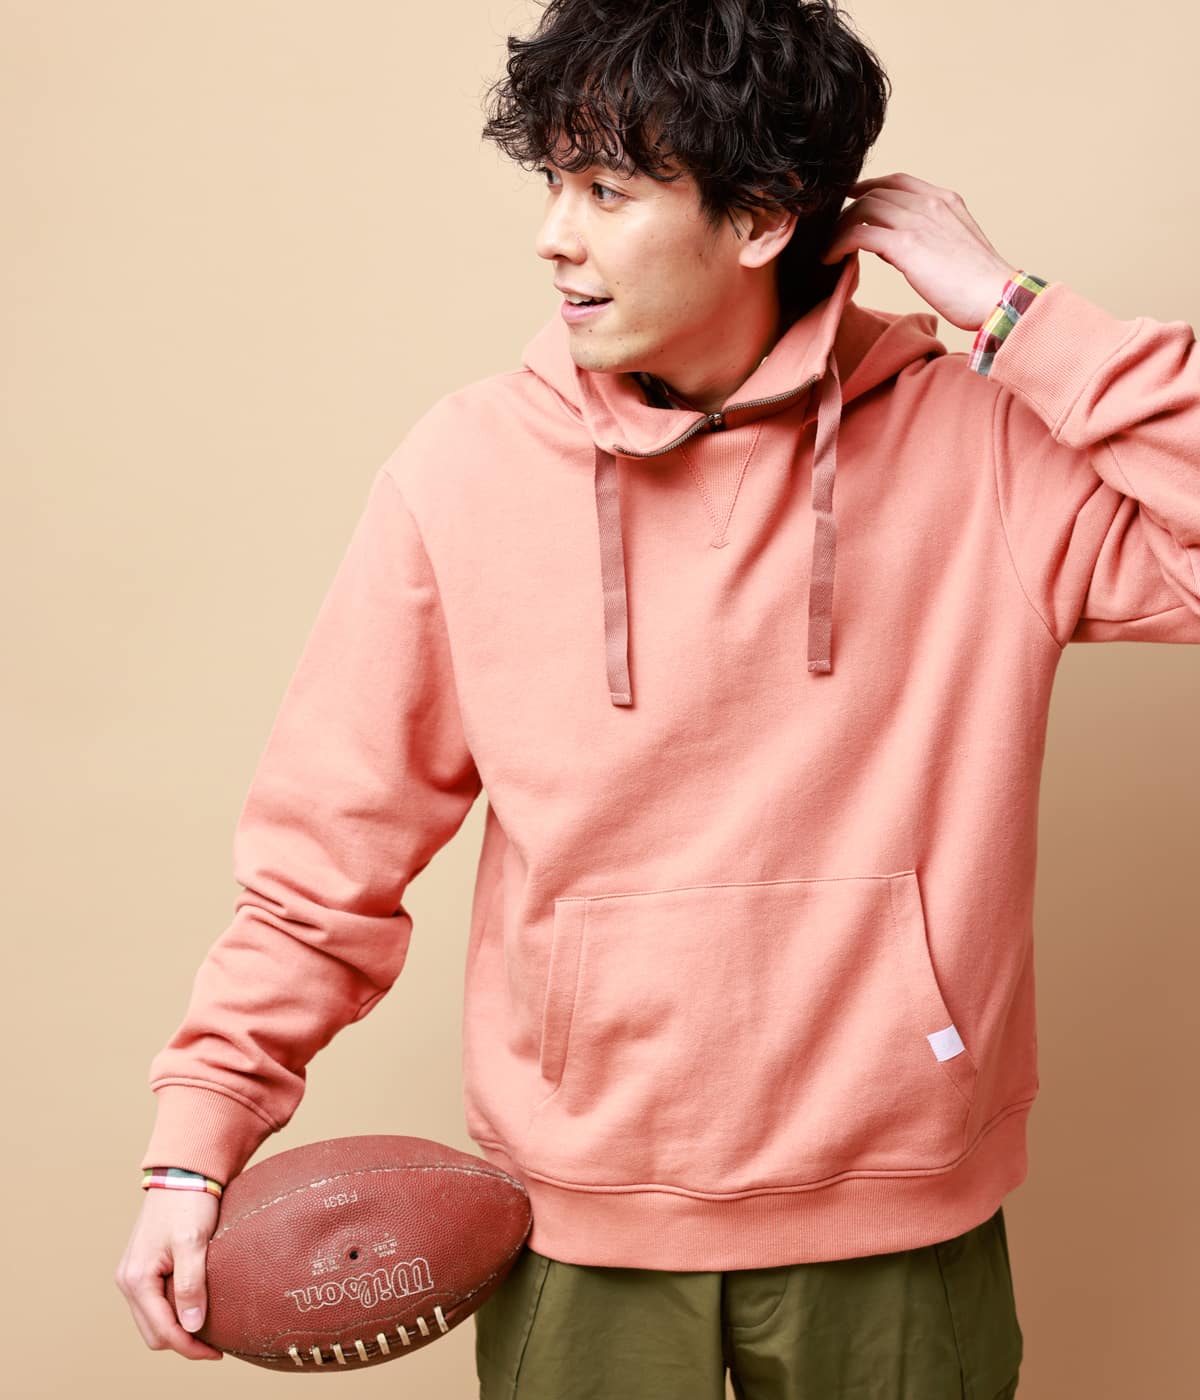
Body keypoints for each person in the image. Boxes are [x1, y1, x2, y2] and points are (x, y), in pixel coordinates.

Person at [115, 2, 1200, 1396]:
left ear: (762, 219)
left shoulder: (981, 447)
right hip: (579, 1229)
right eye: (554, 184)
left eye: (608, 192)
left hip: (900, 1210)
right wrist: (194, 1145)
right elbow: (324, 861)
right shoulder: (466, 471)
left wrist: (1010, 311)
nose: (552, 236)